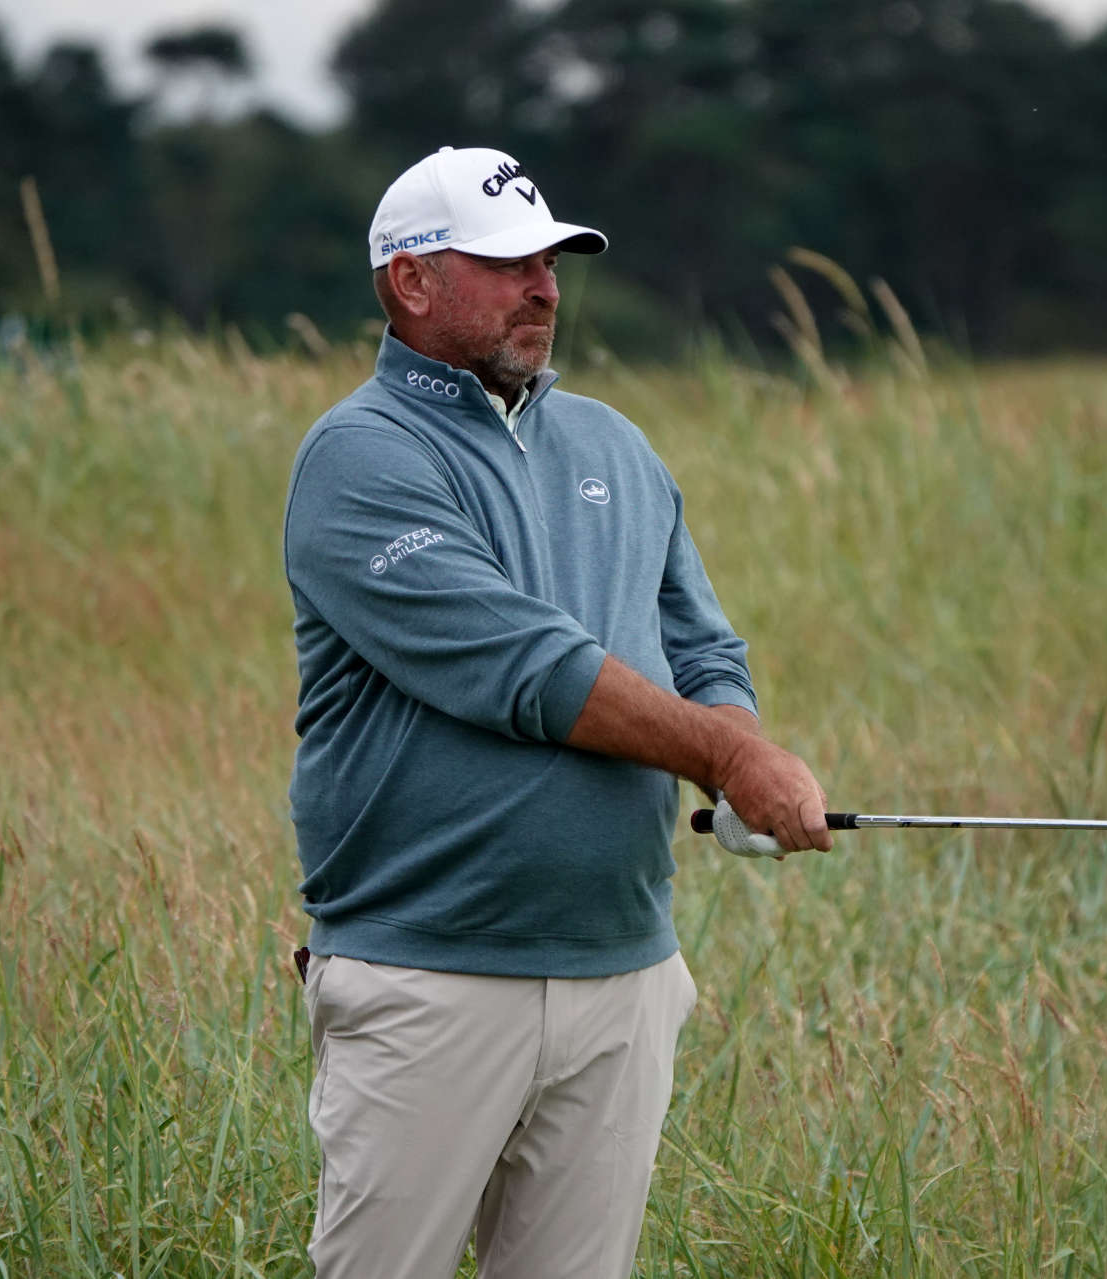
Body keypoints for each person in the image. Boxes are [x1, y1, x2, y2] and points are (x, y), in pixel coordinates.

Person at [282, 145, 832, 1279]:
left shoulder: (614, 445)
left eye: (550, 258)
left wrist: (730, 740)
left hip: (623, 975)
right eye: (506, 262)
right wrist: (730, 752)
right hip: (429, 979)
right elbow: (524, 670)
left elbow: (702, 645)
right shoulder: (359, 456)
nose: (544, 286)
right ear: (412, 283)